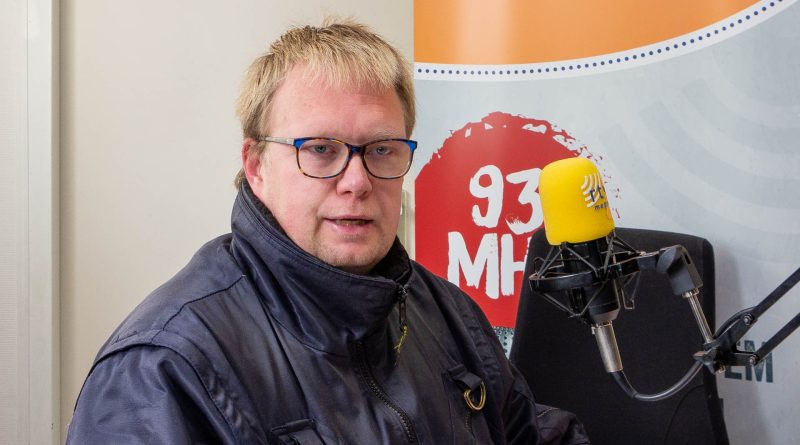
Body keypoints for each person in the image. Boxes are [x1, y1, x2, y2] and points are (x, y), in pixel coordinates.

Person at [66, 19, 590, 444]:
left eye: (382, 148)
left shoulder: (448, 313)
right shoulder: (163, 368)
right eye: (320, 150)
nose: (357, 182)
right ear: (255, 166)